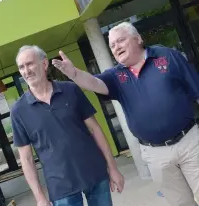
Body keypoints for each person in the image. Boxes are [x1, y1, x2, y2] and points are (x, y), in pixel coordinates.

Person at [52, 22, 199, 206]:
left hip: (190, 142)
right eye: (112, 45)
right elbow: (95, 83)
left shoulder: (168, 57)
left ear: (138, 39)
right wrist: (74, 73)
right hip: (155, 154)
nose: (116, 47)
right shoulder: (116, 76)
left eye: (120, 40)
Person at [10, 45, 124, 206]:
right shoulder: (18, 111)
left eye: (30, 64)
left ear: (44, 64)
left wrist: (113, 168)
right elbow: (26, 159)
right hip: (60, 186)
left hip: (94, 173)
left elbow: (95, 129)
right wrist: (40, 198)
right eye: (21, 67)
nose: (26, 71)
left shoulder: (70, 90)